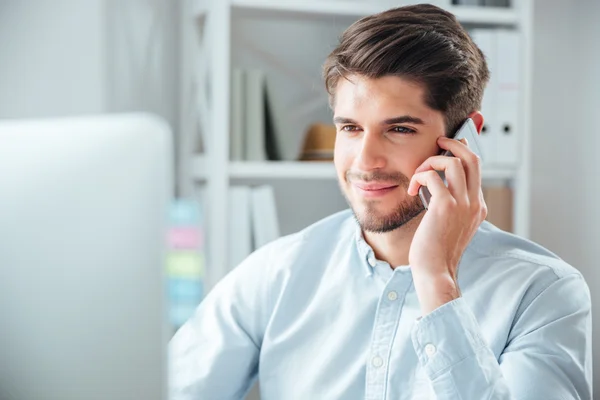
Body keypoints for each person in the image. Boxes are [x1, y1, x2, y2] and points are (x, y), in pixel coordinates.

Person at [169, 4, 592, 399]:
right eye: (350, 128)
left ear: (466, 138)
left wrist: (437, 283)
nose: (365, 162)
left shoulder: (545, 294)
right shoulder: (277, 274)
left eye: (400, 129)